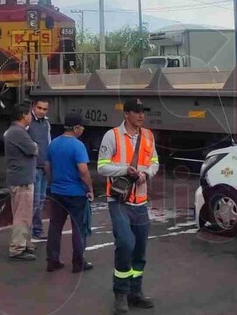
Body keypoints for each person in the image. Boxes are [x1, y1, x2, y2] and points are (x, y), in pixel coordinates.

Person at [97, 97, 159, 314]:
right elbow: (102, 167)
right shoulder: (112, 135)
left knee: (140, 249)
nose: (141, 115)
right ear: (126, 114)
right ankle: (120, 294)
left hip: (140, 202)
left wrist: (146, 173)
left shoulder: (148, 135)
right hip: (119, 201)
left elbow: (154, 162)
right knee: (125, 244)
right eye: (136, 112)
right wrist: (125, 169)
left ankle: (135, 292)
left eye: (143, 112)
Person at [45, 112, 94, 273]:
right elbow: (83, 171)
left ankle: (52, 261)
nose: (83, 129)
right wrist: (90, 189)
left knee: (55, 226)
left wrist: (53, 184)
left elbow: (47, 167)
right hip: (76, 194)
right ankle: (78, 263)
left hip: (57, 192)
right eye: (82, 127)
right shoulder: (77, 145)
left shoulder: (53, 144)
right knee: (78, 228)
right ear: (75, 128)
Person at [4, 102, 38, 261]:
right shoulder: (18, 132)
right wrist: (35, 145)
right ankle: (18, 248)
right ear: (24, 115)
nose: (31, 117)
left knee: (23, 214)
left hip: (19, 178)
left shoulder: (14, 131)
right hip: (22, 180)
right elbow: (33, 149)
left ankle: (24, 243)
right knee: (22, 215)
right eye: (30, 114)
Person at [28, 98, 51, 240]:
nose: (41, 111)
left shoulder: (46, 123)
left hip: (44, 167)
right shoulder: (28, 122)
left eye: (44, 109)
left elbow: (48, 142)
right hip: (33, 167)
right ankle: (28, 232)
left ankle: (37, 229)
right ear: (33, 107)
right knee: (34, 201)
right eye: (39, 108)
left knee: (41, 200)